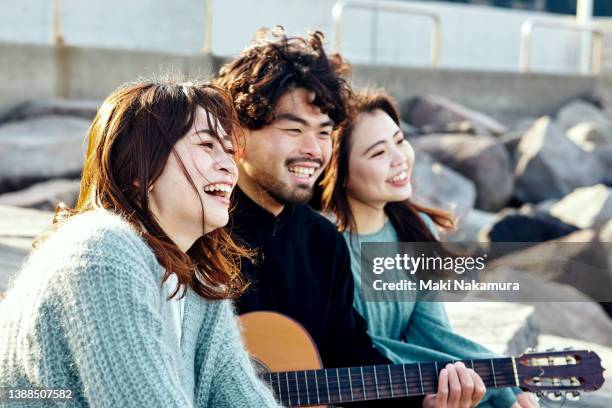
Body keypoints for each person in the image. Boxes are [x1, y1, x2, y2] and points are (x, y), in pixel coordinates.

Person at [216, 28, 486, 407]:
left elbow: (351, 357)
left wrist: (424, 403)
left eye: (324, 133)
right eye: (294, 129)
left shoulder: (323, 243)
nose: (312, 150)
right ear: (237, 133)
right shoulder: (199, 228)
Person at [0, 79, 280, 407]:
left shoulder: (198, 281)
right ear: (141, 168)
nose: (229, 166)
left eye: (230, 151)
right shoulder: (100, 248)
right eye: (207, 146)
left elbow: (243, 397)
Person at [321, 89, 540, 408]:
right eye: (378, 153)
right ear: (340, 173)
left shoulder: (414, 224)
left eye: (399, 140)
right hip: (364, 395)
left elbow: (433, 332)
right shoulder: (325, 246)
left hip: (409, 386)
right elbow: (367, 350)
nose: (400, 159)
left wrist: (509, 381)